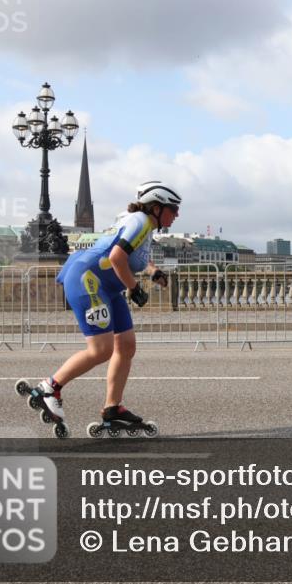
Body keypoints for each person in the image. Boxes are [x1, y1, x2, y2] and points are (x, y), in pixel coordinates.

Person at [21, 180, 180, 437]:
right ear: (156, 207)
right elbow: (117, 256)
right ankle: (49, 388)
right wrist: (134, 288)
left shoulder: (143, 224)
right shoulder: (140, 222)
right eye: (173, 208)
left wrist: (153, 271)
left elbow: (136, 255)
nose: (177, 214)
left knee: (126, 346)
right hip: (88, 280)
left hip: (107, 287)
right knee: (101, 349)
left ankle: (112, 409)